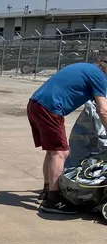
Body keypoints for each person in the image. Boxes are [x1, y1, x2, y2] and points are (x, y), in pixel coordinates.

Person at [27, 60, 107, 214]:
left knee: (52, 151)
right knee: (61, 153)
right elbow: (103, 110)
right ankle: (53, 200)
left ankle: (47, 190)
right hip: (50, 108)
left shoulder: (86, 69)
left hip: (35, 104)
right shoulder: (100, 77)